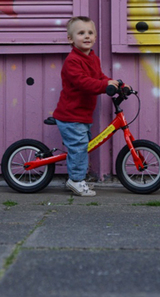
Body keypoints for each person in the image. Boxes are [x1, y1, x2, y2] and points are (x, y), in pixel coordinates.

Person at [52, 16, 119, 197]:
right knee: (80, 147)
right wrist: (106, 86)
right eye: (81, 33)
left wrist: (116, 83)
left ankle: (78, 177)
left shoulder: (93, 58)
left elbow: (99, 77)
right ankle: (75, 180)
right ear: (71, 39)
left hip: (83, 115)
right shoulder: (72, 61)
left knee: (81, 148)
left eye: (90, 33)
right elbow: (84, 83)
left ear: (95, 37)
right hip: (70, 114)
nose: (86, 36)